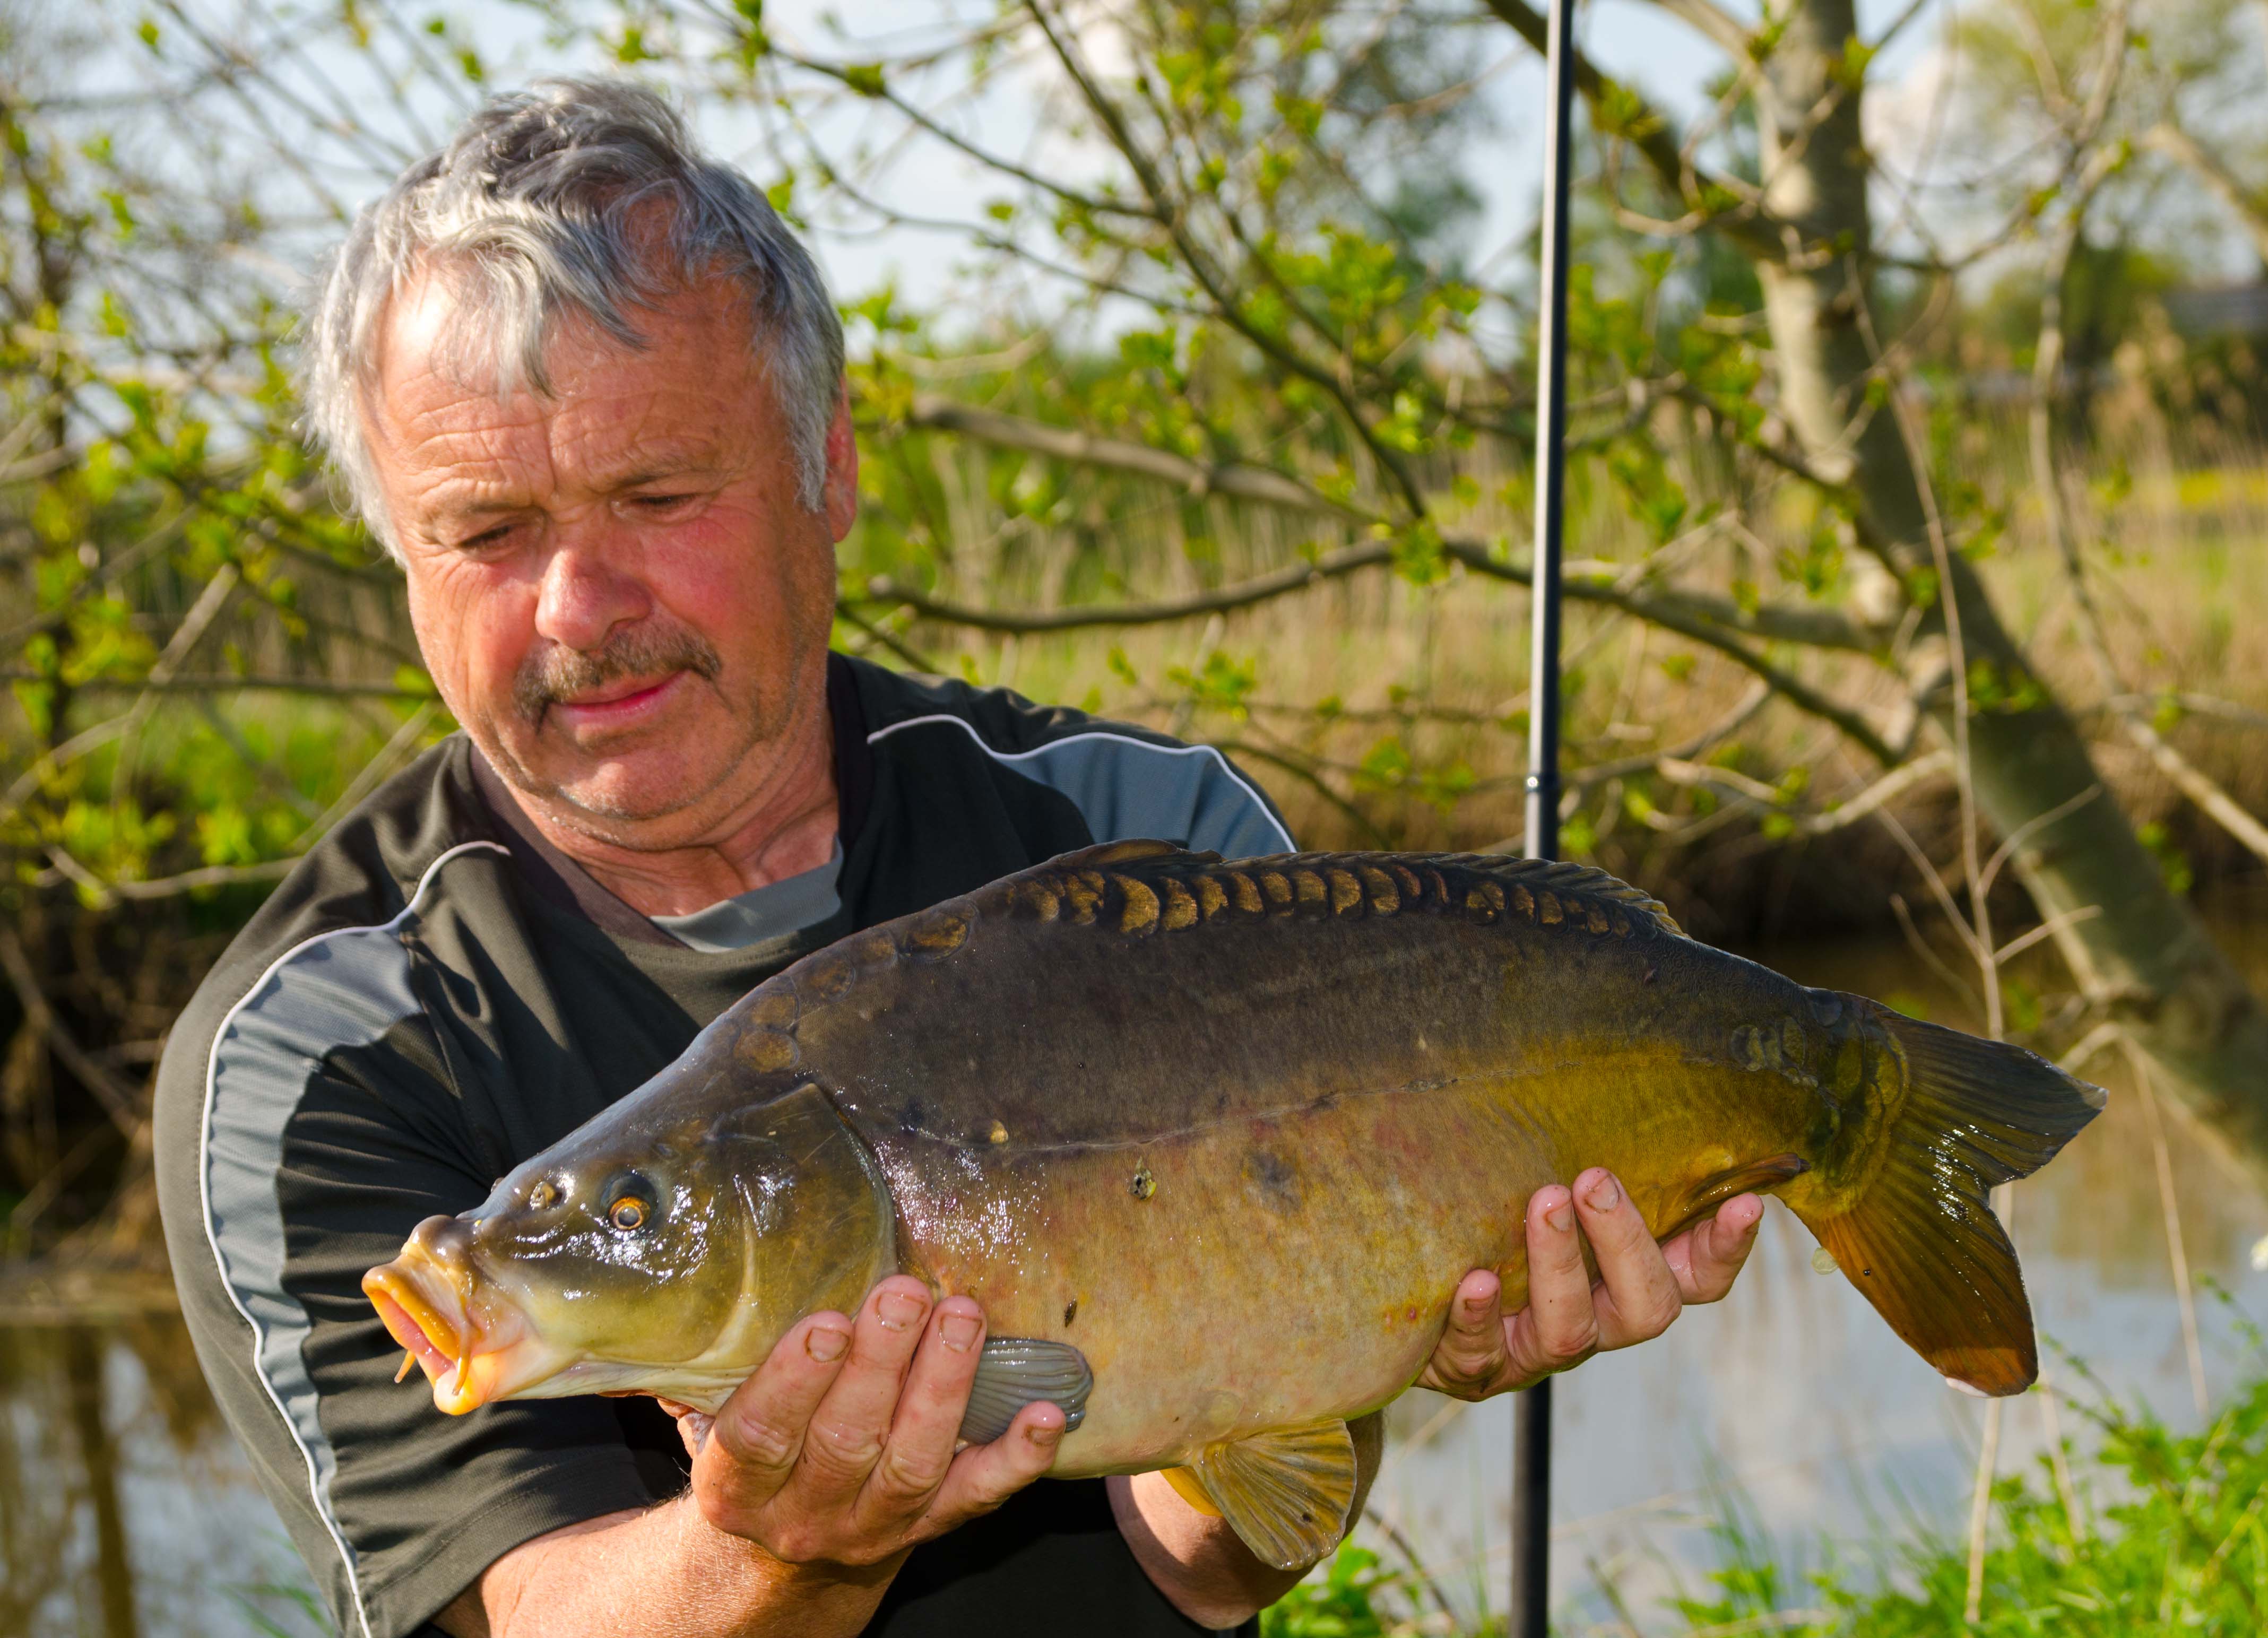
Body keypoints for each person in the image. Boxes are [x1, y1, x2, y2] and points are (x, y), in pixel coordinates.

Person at [151, 79, 1765, 1638]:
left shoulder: (1138, 839)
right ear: (401, 556)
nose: (579, 607)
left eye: (657, 493)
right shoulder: (312, 1049)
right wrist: (772, 1557)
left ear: (829, 471)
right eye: (488, 531)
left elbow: (1211, 1559)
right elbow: (532, 1619)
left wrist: (1405, 1328)